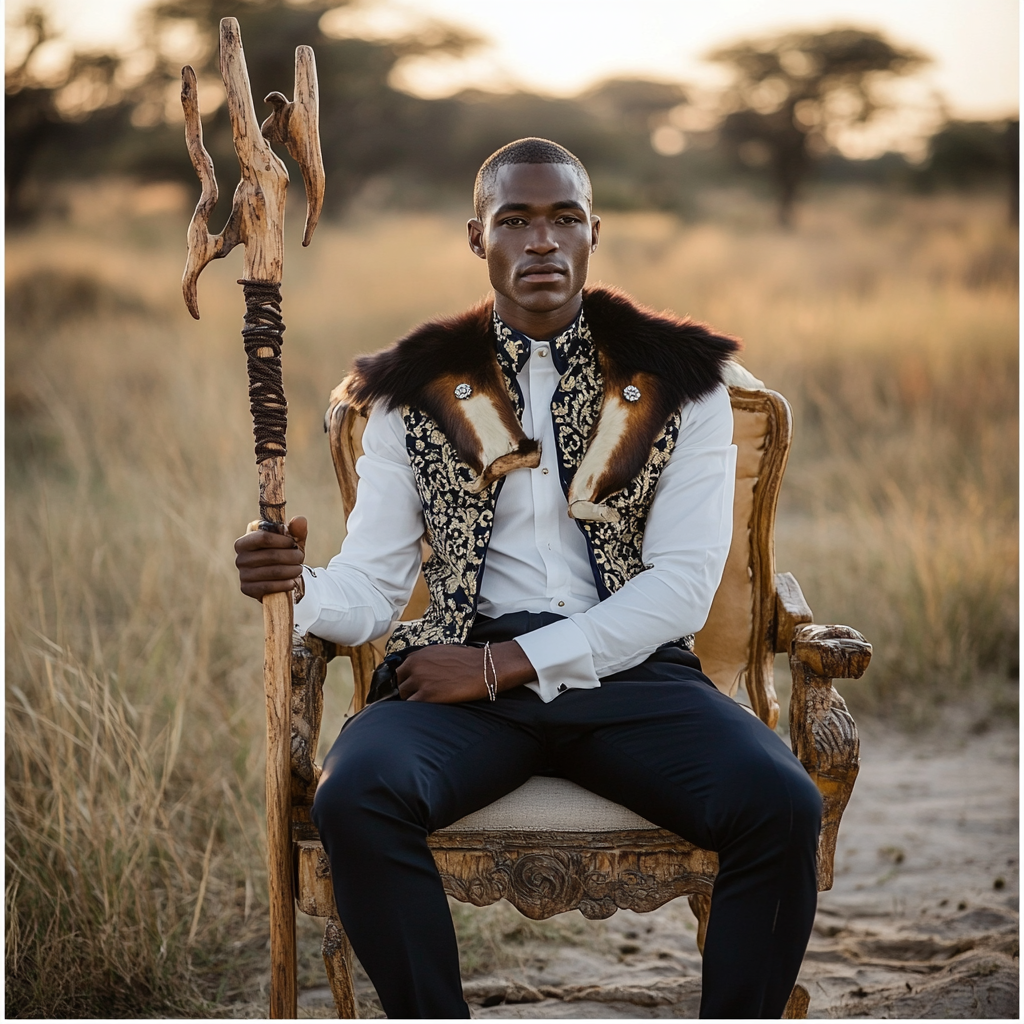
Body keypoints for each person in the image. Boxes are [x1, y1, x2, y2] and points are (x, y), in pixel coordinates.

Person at [234, 137, 822, 1019]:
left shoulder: (683, 385)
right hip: (462, 688)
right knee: (356, 791)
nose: (541, 241)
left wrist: (501, 666)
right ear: (478, 237)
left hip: (632, 674)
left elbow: (680, 590)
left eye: (563, 220)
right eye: (516, 220)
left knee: (780, 802)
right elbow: (369, 589)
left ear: (595, 234)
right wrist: (295, 584)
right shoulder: (413, 392)